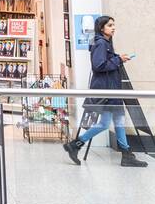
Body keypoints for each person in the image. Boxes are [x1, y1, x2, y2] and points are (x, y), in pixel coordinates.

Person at [63, 15, 147, 168]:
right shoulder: (101, 43)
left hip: (111, 90)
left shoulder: (104, 43)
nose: (113, 27)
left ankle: (125, 153)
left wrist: (118, 58)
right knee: (105, 123)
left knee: (118, 121)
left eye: (114, 25)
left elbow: (104, 62)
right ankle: (75, 144)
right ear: (101, 28)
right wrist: (118, 60)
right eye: (109, 25)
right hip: (107, 90)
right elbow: (99, 66)